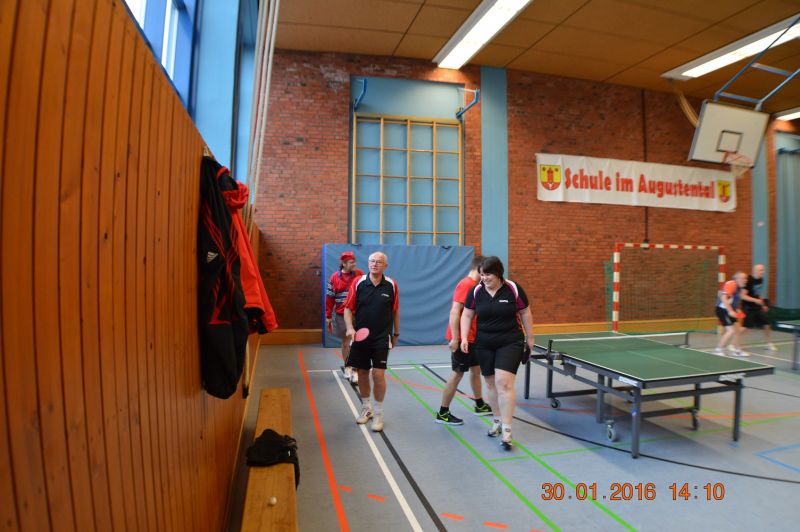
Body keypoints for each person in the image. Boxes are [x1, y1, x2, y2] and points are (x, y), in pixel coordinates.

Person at [460, 256, 535, 449]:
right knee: (491, 383)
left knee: (504, 383)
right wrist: (463, 337)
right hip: (484, 343)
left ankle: (507, 431)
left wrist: (530, 337)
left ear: (498, 274)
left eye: (488, 275)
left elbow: (525, 312)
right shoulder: (476, 291)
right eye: (482, 274)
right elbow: (467, 314)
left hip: (510, 342)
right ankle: (497, 421)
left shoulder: (513, 288)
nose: (484, 278)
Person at [344, 252, 399, 432]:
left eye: (379, 262)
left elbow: (395, 311)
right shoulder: (358, 282)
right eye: (372, 261)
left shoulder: (391, 285)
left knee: (378, 374)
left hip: (382, 337)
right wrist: (350, 328)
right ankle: (366, 408)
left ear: (385, 266)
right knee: (362, 372)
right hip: (361, 337)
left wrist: (396, 333)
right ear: (368, 263)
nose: (375, 264)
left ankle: (379, 412)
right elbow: (348, 308)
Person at [436, 255, 492, 425]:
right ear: (480, 269)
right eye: (486, 271)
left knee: (476, 370)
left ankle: (480, 404)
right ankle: (443, 413)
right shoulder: (466, 284)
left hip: (473, 337)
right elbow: (455, 312)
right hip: (462, 339)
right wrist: (455, 338)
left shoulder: (476, 285)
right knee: (457, 374)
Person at [325, 251, 364, 383]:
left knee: (358, 342)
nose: (354, 264)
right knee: (346, 341)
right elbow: (329, 298)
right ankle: (348, 366)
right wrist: (328, 315)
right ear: (344, 263)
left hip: (358, 313)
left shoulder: (359, 274)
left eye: (354, 262)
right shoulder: (334, 277)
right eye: (351, 262)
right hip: (342, 314)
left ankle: (356, 368)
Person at [740, 264, 777, 351]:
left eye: (763, 270)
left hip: (756, 307)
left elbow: (757, 293)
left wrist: (763, 304)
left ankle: (769, 344)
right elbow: (742, 296)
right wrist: (755, 300)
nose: (763, 272)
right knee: (745, 327)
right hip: (748, 307)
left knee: (767, 324)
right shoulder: (748, 280)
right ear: (755, 271)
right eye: (761, 270)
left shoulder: (761, 279)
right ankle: (733, 343)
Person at [715, 272, 748, 356]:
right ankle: (718, 349)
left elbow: (734, 302)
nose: (745, 280)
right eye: (743, 278)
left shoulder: (739, 288)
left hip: (729, 309)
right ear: (737, 279)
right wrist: (730, 311)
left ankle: (737, 350)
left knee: (737, 330)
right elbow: (723, 298)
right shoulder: (731, 284)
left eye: (746, 278)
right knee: (731, 330)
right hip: (722, 309)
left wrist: (737, 310)